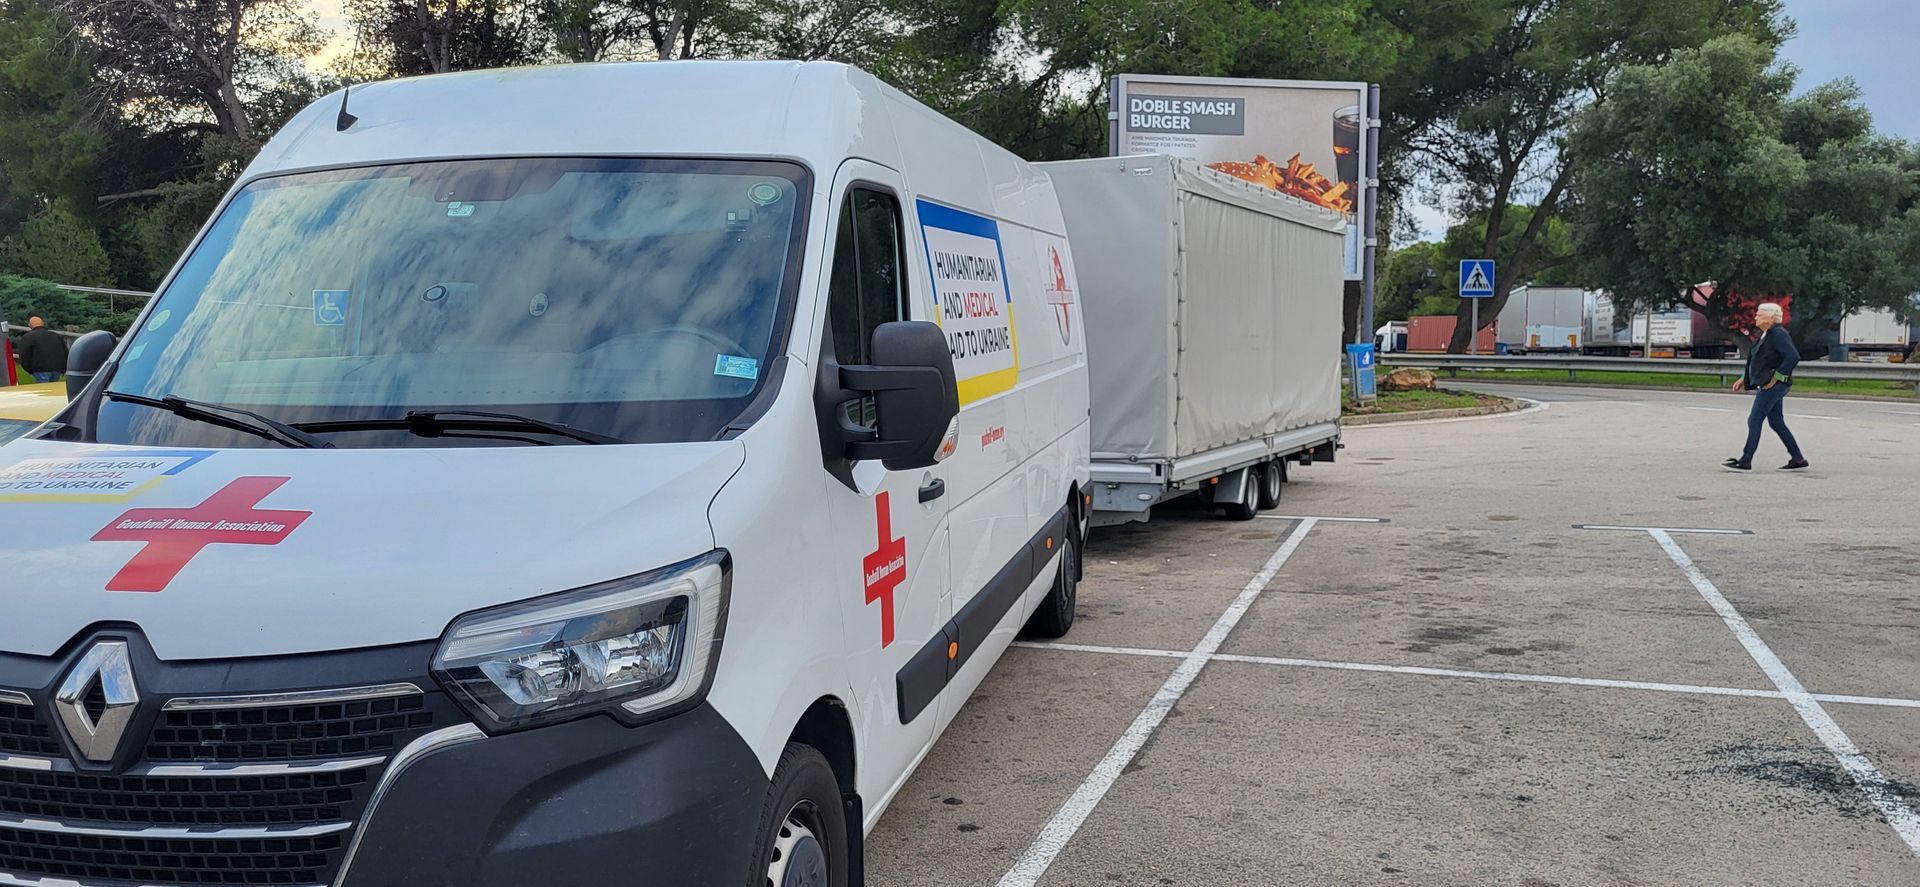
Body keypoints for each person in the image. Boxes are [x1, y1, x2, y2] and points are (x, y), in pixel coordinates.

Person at [1723, 302, 1807, 472]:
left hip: (1773, 385)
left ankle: (1745, 460)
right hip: (1770, 383)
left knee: (1754, 419)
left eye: (1759, 314)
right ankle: (1798, 459)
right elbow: (1759, 360)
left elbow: (1793, 356)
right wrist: (1744, 378)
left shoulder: (1778, 334)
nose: (1756, 316)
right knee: (1776, 422)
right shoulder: (1767, 334)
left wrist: (1776, 377)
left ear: (1770, 317)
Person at [16, 317, 69, 384]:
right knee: (53, 388)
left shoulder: (28, 337)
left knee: (43, 388)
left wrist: (29, 370)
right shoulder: (56, 336)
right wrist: (64, 368)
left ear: (30, 325)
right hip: (57, 368)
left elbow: (24, 355)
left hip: (40, 369)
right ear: (42, 323)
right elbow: (65, 352)